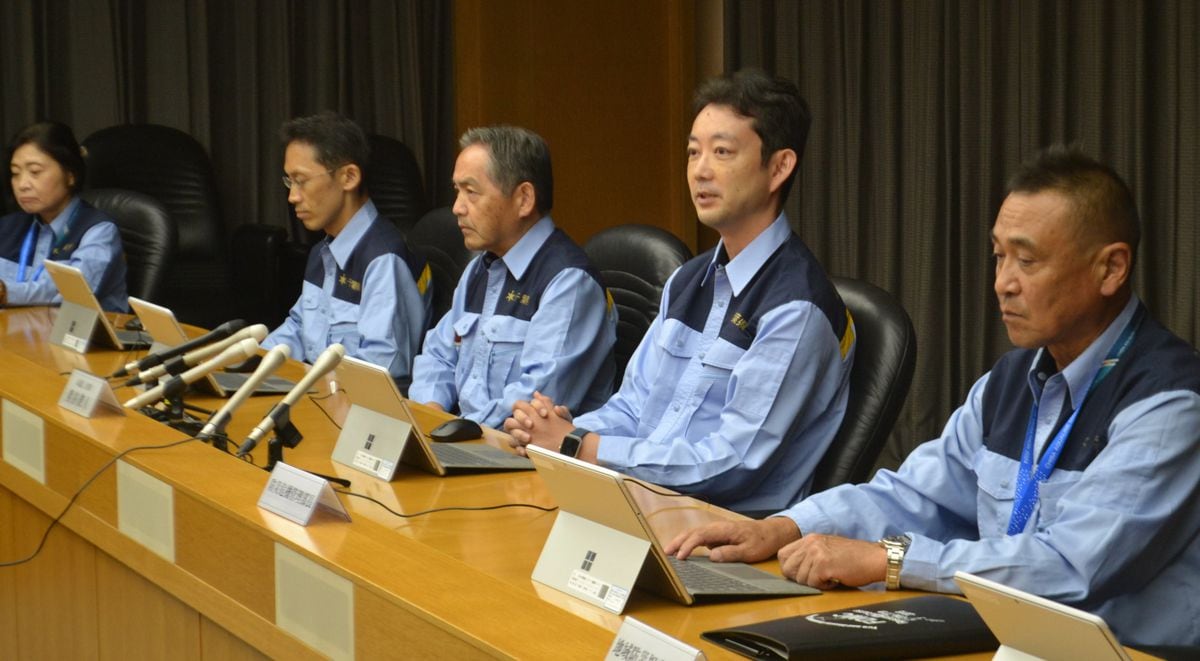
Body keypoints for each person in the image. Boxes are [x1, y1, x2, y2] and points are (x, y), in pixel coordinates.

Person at [666, 147, 1200, 648]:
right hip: (1010, 639)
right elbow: (912, 495)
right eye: (998, 257)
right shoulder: (1011, 382)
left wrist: (891, 561)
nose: (1002, 284)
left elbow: (1068, 567)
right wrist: (786, 526)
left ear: (1111, 268)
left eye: (1027, 262)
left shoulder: (1168, 403)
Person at [504, 69, 856, 514]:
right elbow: (634, 408)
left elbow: (731, 462)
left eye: (722, 152)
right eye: (693, 153)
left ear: (779, 167)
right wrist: (555, 432)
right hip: (643, 502)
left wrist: (584, 449)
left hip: (722, 537)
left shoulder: (796, 307)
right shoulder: (688, 280)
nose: (700, 171)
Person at [409, 126, 616, 428]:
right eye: (457, 191)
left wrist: (454, 430)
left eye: (471, 192)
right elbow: (438, 355)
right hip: (464, 442)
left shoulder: (568, 282)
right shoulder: (480, 269)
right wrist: (431, 411)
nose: (457, 207)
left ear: (524, 199)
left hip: (525, 459)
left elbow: (533, 404)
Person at [262, 112, 431, 389]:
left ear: (349, 177)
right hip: (321, 396)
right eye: (289, 182)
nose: (292, 196)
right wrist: (254, 365)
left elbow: (379, 369)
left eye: (301, 181)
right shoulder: (322, 252)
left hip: (358, 411)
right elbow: (297, 328)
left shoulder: (383, 259)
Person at [2, 121, 127, 311]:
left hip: (82, 337)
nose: (22, 184)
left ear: (70, 175)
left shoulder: (98, 231)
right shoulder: (7, 227)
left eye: (35, 172)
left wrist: (5, 293)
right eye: (15, 173)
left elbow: (69, 296)